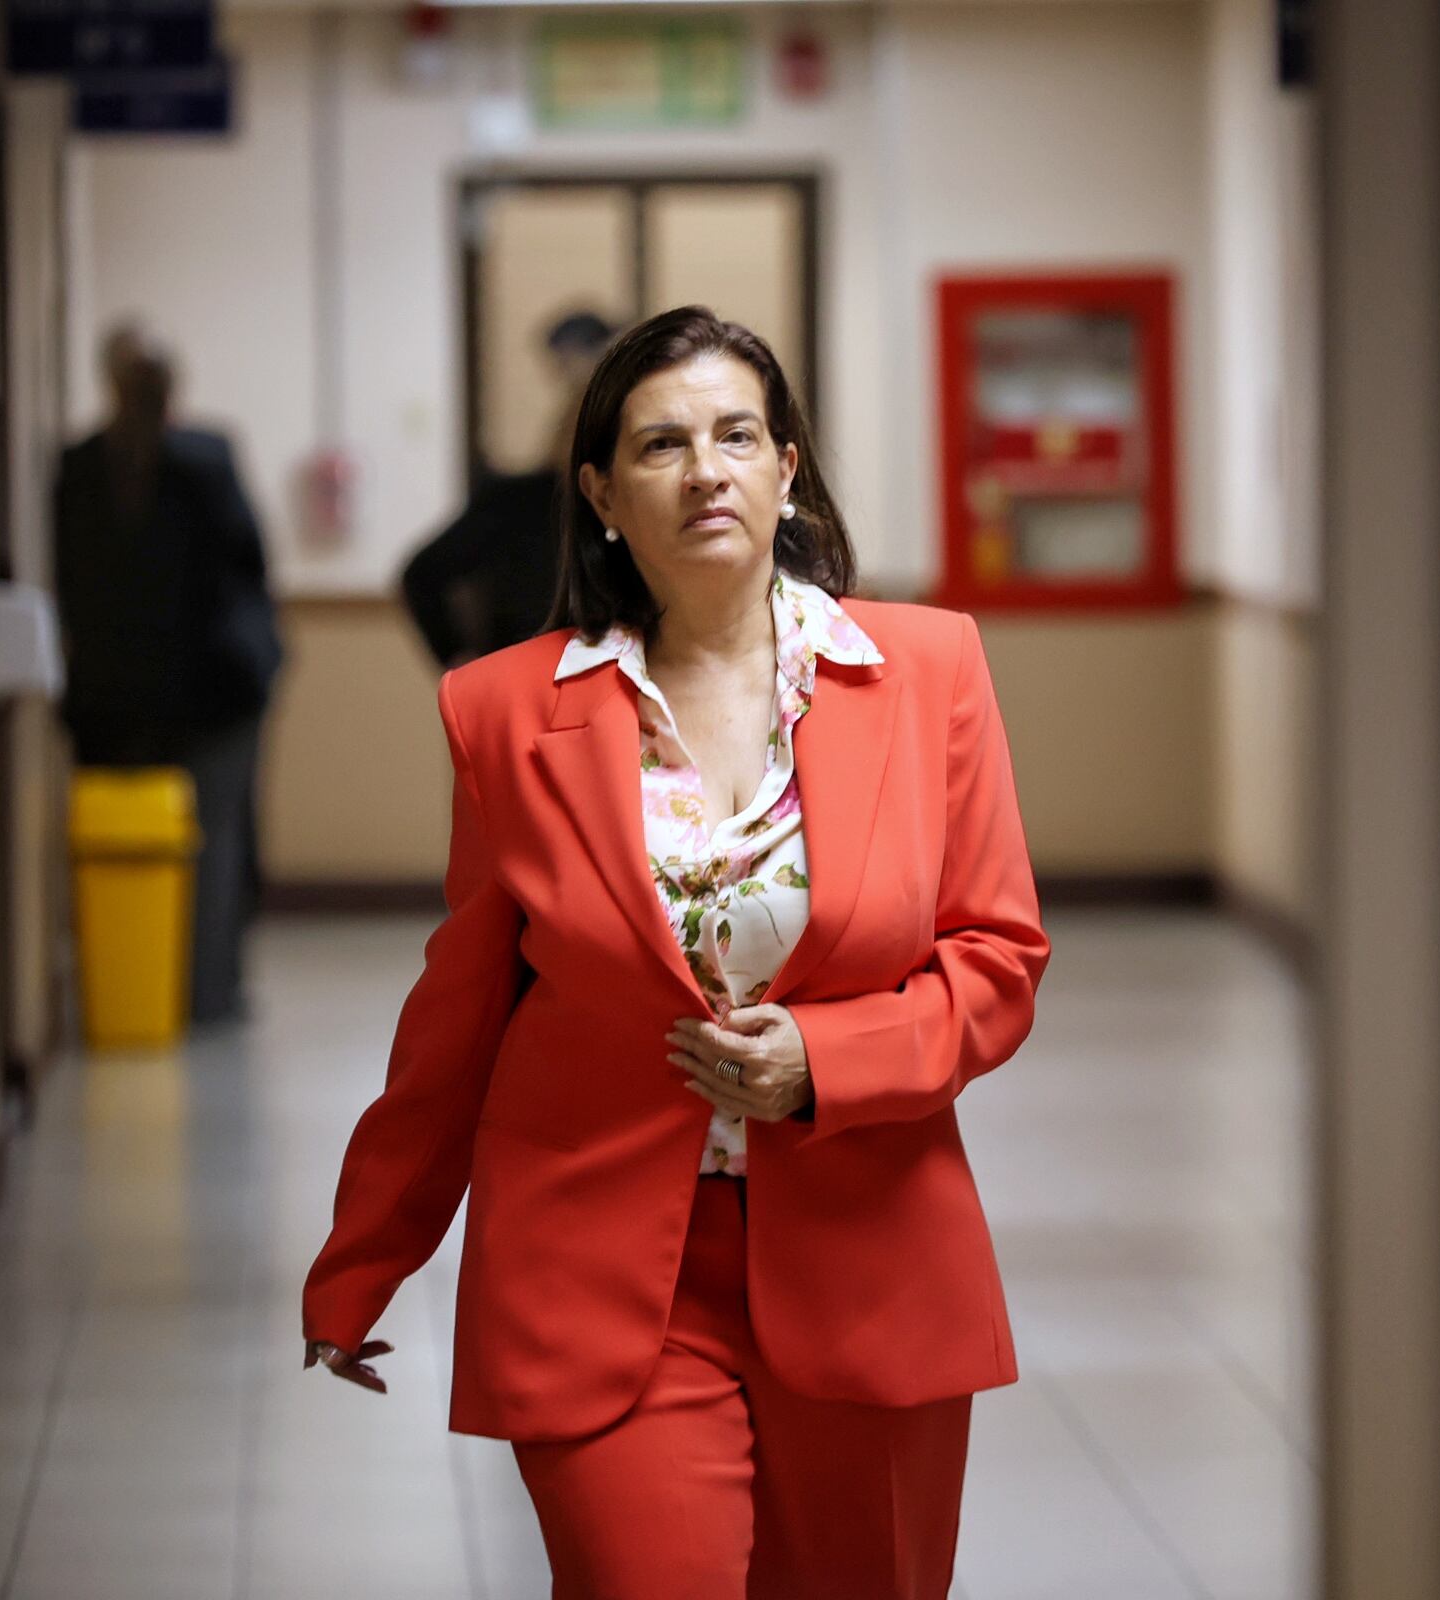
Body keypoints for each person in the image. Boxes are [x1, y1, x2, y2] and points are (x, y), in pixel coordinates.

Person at [301, 306, 1049, 1597]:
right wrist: (366, 1257)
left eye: (737, 434)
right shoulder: (504, 715)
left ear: (786, 467)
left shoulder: (928, 671)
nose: (706, 469)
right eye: (660, 444)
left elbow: (995, 956)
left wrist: (827, 1057)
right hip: (595, 1270)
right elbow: (462, 1013)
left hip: (869, 1257)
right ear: (599, 491)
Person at [53, 324, 284, 1025]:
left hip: (113, 701)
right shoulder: (205, 459)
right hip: (216, 694)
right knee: (213, 840)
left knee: (135, 850)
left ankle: (137, 987)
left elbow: (72, 583)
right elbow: (249, 566)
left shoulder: (79, 468)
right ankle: (205, 995)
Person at [399, 309, 615, 667]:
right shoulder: (516, 502)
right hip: (522, 680)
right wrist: (461, 659)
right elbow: (422, 575)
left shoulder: (638, 511)